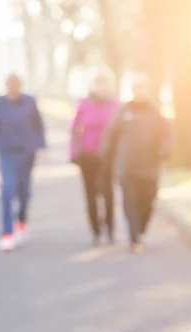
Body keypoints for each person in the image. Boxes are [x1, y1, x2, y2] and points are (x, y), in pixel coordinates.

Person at [102, 75, 171, 253]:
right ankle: (133, 237)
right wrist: (106, 157)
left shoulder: (154, 112)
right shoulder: (123, 111)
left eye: (142, 88)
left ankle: (140, 228)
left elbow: (165, 134)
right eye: (136, 89)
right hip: (127, 167)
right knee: (130, 202)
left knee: (148, 201)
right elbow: (111, 135)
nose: (139, 92)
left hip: (149, 167)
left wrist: (164, 150)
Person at [0, 74, 46, 252]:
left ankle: (22, 223)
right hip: (7, 154)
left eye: (16, 84)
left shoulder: (29, 102)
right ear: (5, 86)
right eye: (10, 84)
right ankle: (7, 234)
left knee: (24, 192)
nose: (13, 88)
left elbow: (39, 125)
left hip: (27, 154)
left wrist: (42, 147)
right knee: (7, 190)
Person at [69, 71, 120, 246]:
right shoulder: (84, 104)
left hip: (107, 157)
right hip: (87, 156)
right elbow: (74, 129)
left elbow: (120, 131)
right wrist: (74, 153)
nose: (101, 88)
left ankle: (110, 229)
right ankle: (96, 231)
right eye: (98, 84)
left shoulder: (115, 104)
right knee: (90, 194)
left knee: (107, 193)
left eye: (104, 84)